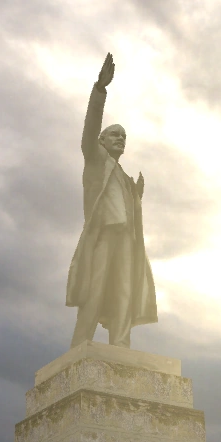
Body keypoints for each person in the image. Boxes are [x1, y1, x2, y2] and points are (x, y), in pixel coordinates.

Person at [66, 53, 158, 347]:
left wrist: (136, 197)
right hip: (103, 236)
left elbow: (127, 207)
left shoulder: (124, 177)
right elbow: (90, 128)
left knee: (123, 295)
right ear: (102, 141)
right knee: (95, 292)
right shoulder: (95, 161)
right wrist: (100, 90)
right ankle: (81, 343)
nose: (120, 139)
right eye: (115, 135)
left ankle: (120, 346)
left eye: (124, 137)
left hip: (127, 240)